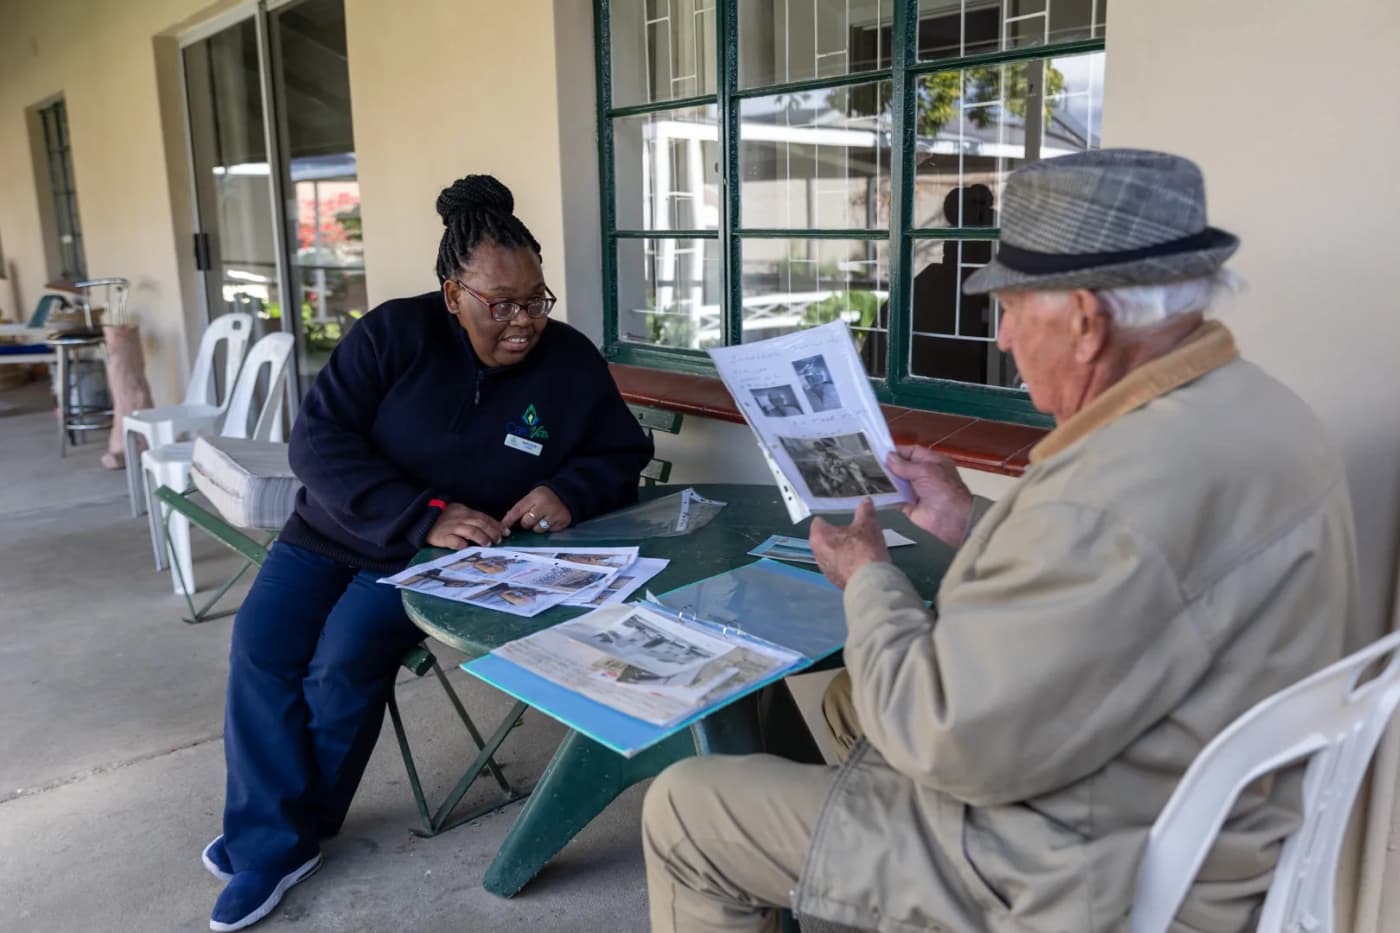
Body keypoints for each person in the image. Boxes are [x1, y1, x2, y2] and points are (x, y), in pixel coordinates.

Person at [641, 149, 1359, 933]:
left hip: (1085, 864)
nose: (1007, 338)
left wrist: (870, 580)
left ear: (1085, 320)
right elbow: (1122, 580)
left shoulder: (1109, 492)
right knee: (853, 698)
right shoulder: (1264, 410)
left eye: (1013, 308)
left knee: (687, 808)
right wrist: (968, 518)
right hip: (1172, 803)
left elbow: (941, 733)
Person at [204, 174, 653, 931]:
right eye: (499, 304)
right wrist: (426, 513)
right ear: (453, 294)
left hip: (438, 565)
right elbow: (317, 443)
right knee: (260, 645)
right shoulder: (392, 334)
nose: (523, 321)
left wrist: (569, 491)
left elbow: (620, 451)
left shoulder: (569, 362)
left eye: (536, 299)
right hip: (333, 533)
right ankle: (277, 833)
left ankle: (277, 840)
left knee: (345, 653)